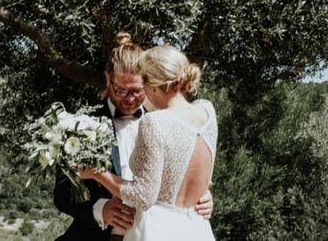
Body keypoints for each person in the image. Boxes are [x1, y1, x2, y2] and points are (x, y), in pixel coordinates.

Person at [54, 34, 212, 240]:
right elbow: (62, 192)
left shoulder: (165, 122)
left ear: (148, 83)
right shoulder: (83, 125)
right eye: (121, 90)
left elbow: (190, 167)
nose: (130, 99)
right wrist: (99, 210)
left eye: (137, 91)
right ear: (108, 80)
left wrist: (202, 195)